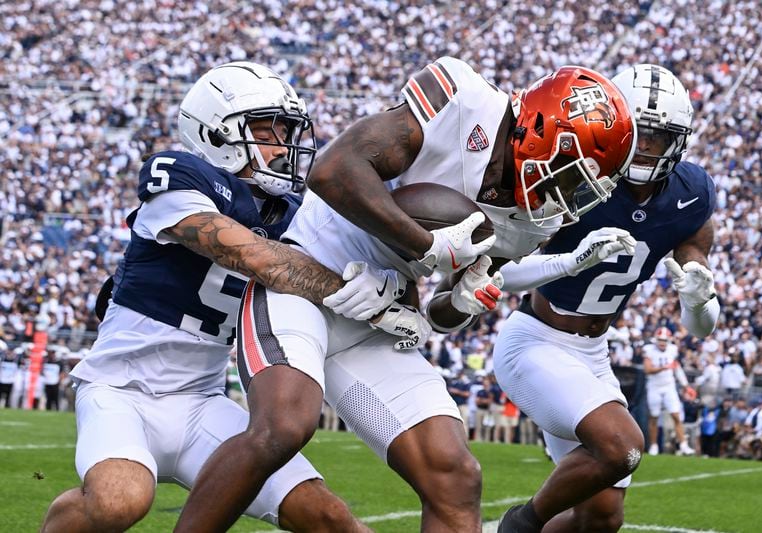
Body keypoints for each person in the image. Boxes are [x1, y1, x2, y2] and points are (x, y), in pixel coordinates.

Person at [176, 57, 637, 532]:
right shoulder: (462, 98)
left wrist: (462, 301)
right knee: (282, 427)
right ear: (541, 131)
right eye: (569, 170)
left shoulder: (532, 219)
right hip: (304, 276)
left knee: (454, 474)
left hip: (378, 314)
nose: (567, 191)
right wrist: (428, 245)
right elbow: (334, 171)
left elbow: (440, 312)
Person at [40, 61, 409, 533]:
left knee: (328, 517)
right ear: (215, 135)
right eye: (268, 131)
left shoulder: (291, 212)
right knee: (118, 501)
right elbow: (256, 257)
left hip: (203, 399)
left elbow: (361, 250)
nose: (283, 146)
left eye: (287, 131)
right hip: (122, 390)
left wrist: (397, 277)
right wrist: (349, 290)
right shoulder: (179, 173)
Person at [495, 63, 720, 532]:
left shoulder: (691, 195)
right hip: (536, 339)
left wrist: (700, 300)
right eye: (639, 134)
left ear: (679, 141)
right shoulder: (576, 174)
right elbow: (502, 272)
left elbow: (699, 327)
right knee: (623, 447)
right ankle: (519, 525)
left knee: (601, 517)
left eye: (660, 138)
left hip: (594, 353)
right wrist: (568, 261)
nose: (647, 148)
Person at [642, 327, 694, 456]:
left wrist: (685, 385)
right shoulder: (649, 351)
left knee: (676, 416)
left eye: (664, 340)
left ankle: (683, 445)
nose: (662, 342)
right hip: (654, 386)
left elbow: (677, 369)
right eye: (660, 340)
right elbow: (647, 370)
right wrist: (663, 367)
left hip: (669, 386)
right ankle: (653, 446)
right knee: (654, 417)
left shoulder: (672, 350)